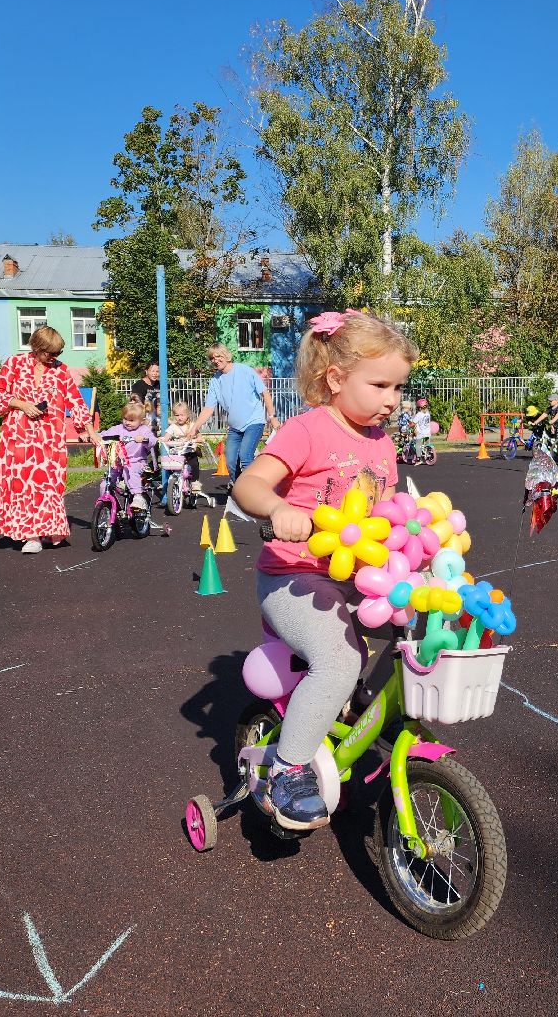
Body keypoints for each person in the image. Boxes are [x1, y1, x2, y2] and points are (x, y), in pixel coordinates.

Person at [232, 309, 416, 830]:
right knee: (338, 658)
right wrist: (277, 509)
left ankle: (357, 713)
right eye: (379, 384)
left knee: (418, 631)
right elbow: (249, 484)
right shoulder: (307, 430)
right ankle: (288, 771)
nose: (392, 399)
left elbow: (387, 513)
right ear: (335, 379)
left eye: (399, 387)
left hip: (354, 576)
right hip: (292, 577)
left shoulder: (382, 443)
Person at [0, 326, 103, 553]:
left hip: (49, 438)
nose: (55, 358)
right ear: (37, 348)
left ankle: (45, 529)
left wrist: (90, 430)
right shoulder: (14, 364)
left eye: (58, 353)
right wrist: (22, 404)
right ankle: (32, 535)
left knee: (49, 485)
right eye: (51, 353)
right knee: (22, 485)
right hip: (18, 436)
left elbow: (76, 401)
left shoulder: (61, 371)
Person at [182, 344, 279, 481]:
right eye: (212, 358)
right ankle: (239, 489)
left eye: (218, 356)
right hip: (235, 427)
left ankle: (253, 490)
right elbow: (209, 408)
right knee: (230, 462)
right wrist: (195, 427)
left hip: (253, 422)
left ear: (227, 356)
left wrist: (272, 417)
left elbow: (265, 394)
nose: (215, 360)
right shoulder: (215, 380)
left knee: (245, 456)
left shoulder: (245, 371)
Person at [102, 400, 158, 510]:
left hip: (137, 462)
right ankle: (107, 502)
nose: (127, 422)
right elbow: (105, 434)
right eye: (125, 419)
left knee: (131, 472)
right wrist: (93, 436)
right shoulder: (118, 429)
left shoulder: (143, 430)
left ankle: (138, 497)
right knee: (106, 481)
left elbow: (153, 440)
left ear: (141, 421)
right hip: (119, 463)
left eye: (131, 420)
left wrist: (144, 439)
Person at [162, 399, 204, 495]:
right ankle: (173, 484)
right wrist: (162, 439)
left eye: (182, 415)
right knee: (171, 465)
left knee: (194, 463)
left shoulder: (192, 426)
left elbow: (199, 436)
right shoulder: (173, 427)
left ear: (187, 415)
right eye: (177, 415)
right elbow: (166, 437)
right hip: (178, 452)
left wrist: (197, 440)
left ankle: (195, 482)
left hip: (189, 451)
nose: (179, 418)